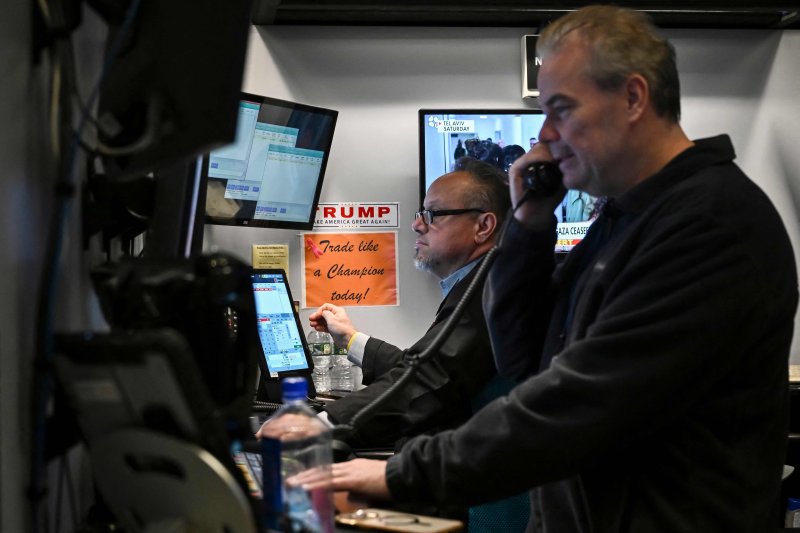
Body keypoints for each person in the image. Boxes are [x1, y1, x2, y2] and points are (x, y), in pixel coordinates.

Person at [312, 6, 798, 532]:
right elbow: (523, 356)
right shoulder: (622, 219)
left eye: (561, 109)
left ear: (633, 98)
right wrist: (529, 225)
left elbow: (581, 402)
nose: (545, 133)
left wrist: (403, 474)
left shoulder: (709, 224)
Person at [282, 156, 511, 450]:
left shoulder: (490, 293)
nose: (417, 224)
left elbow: (428, 381)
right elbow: (428, 367)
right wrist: (350, 339)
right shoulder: (482, 283)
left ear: (483, 226)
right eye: (421, 213)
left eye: (432, 214)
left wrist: (318, 426)